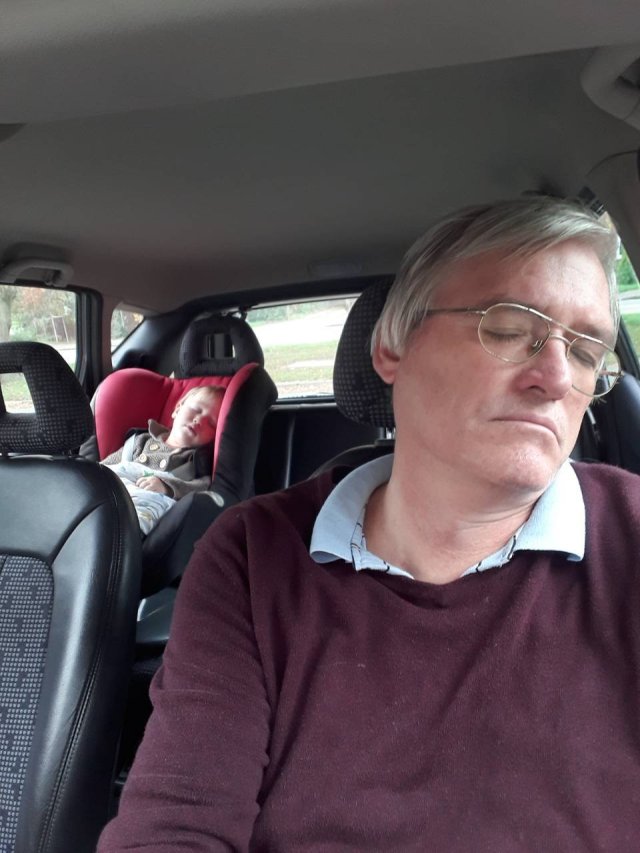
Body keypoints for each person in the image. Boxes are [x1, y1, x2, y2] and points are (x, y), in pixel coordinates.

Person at [99, 196, 640, 851]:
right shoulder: (251, 556)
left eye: (586, 351)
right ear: (392, 347)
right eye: (507, 326)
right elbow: (176, 826)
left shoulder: (631, 540)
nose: (556, 377)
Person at [102, 384, 224, 534]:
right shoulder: (139, 441)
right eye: (196, 410)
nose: (199, 420)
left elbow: (201, 488)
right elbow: (102, 468)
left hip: (143, 514)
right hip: (112, 497)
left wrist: (167, 487)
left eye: (211, 423)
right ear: (177, 409)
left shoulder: (195, 463)